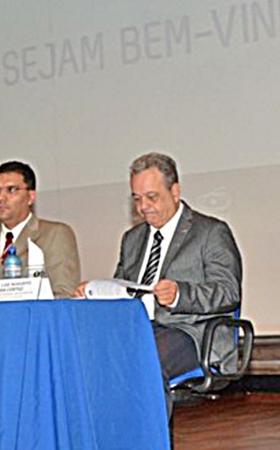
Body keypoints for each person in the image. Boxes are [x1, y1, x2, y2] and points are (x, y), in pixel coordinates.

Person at [76, 152, 242, 397]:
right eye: (137, 199)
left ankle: (149, 436)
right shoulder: (132, 239)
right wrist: (94, 295)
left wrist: (179, 295)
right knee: (83, 357)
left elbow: (228, 292)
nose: (143, 207)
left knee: (143, 361)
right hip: (138, 328)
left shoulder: (210, 232)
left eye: (152, 197)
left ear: (175, 192)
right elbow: (121, 289)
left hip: (190, 331)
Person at [0, 160, 80, 298]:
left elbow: (64, 294)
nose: (0, 198)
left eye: (11, 190)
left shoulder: (55, 235)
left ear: (31, 197)